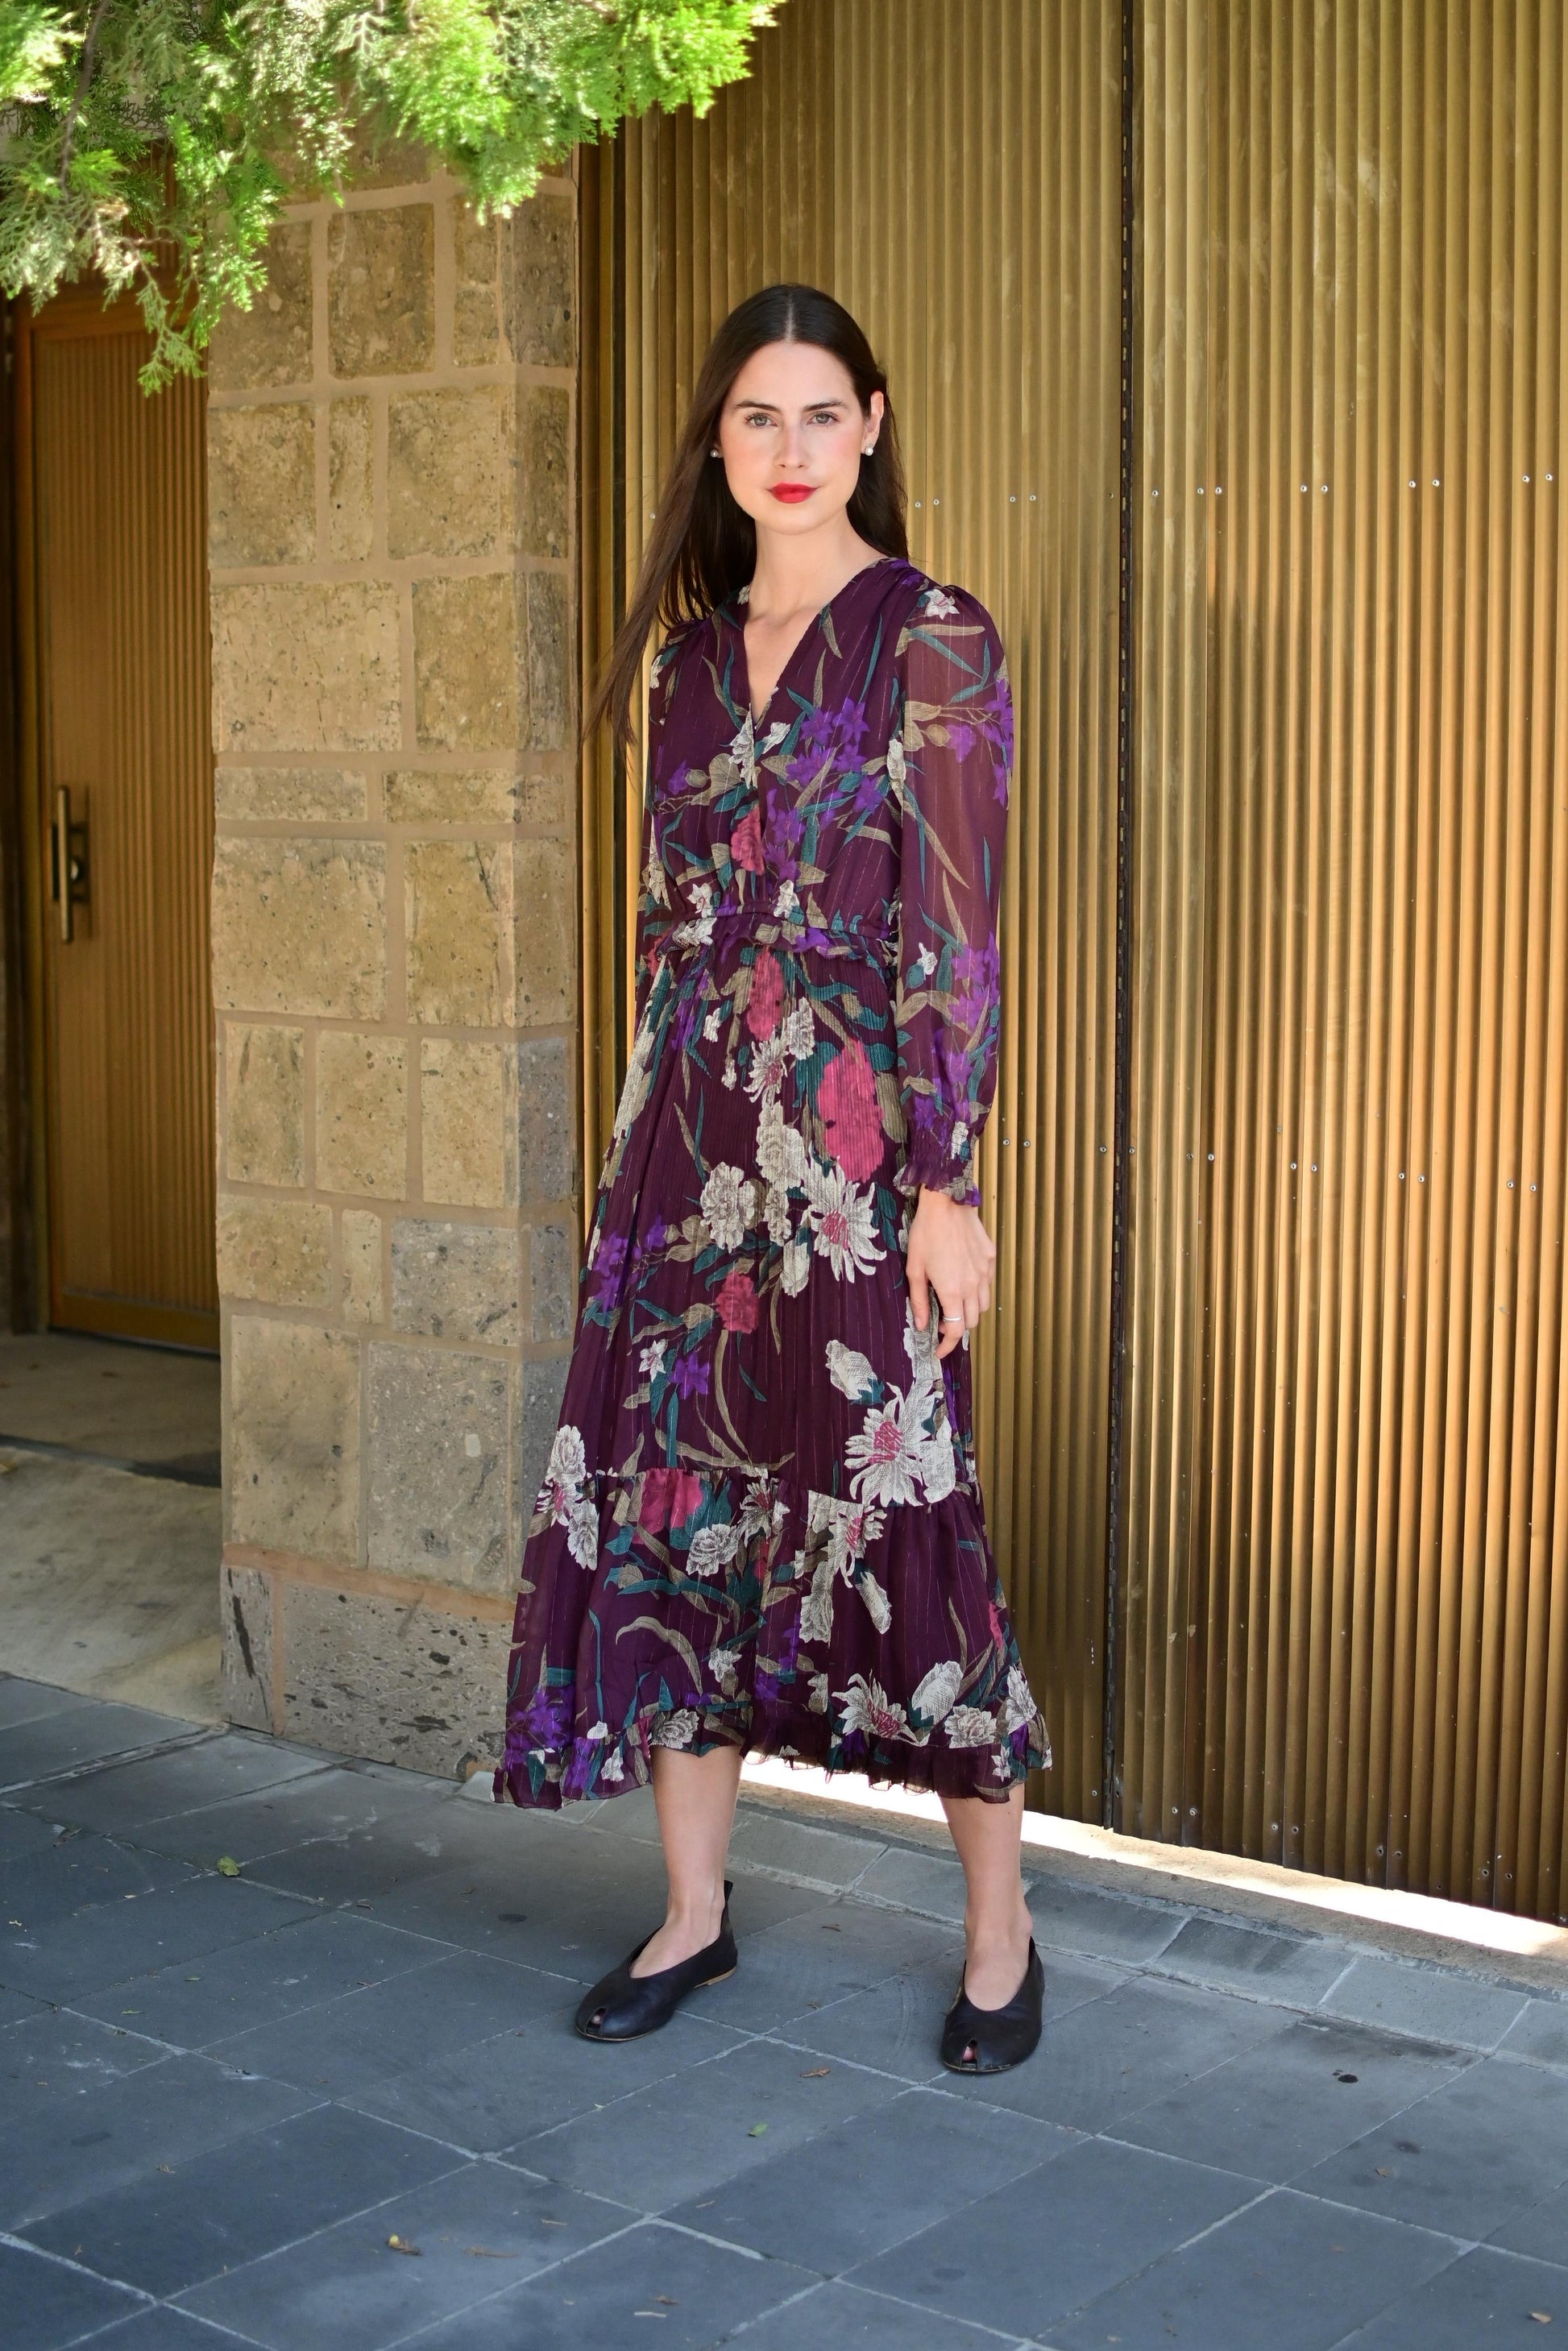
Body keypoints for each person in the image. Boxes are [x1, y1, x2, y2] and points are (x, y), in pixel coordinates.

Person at [494, 283, 1051, 2074]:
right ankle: (691, 1911)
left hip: (858, 1157)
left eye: (821, 415)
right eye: (757, 417)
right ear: (718, 443)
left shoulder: (930, 637)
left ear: (871, 426)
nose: (790, 450)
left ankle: (999, 1933)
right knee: (677, 1514)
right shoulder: (681, 667)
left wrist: (947, 1181)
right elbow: (666, 934)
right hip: (686, 1149)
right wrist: (634, 1158)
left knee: (909, 1516)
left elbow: (951, 937)